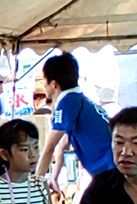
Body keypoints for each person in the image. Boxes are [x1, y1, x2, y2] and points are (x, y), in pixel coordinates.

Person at [35, 52, 116, 193]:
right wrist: (54, 177)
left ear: (53, 84)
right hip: (113, 166)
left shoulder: (67, 103)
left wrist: (34, 185)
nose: (43, 85)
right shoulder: (77, 99)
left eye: (44, 81)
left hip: (110, 169)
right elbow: (63, 144)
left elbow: (49, 147)